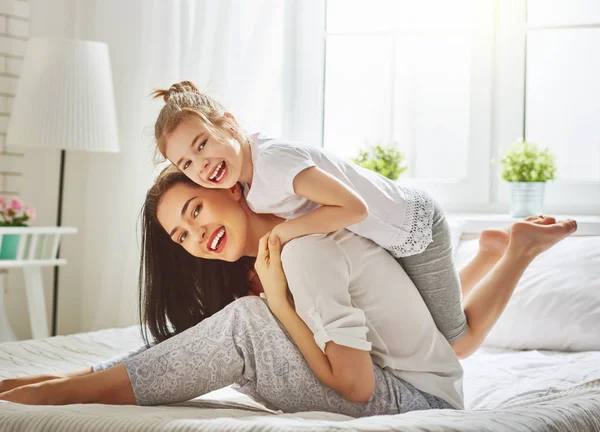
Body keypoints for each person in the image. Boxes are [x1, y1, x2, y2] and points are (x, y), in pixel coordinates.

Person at [0, 168, 577, 416]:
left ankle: (68, 391)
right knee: (243, 321)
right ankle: (75, 381)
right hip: (405, 376)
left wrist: (275, 305)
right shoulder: (285, 248)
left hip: (416, 400)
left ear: (226, 186)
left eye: (195, 209)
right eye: (181, 234)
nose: (196, 235)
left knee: (249, 324)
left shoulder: (305, 249)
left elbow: (356, 384)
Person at [151, 80, 521, 356]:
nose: (201, 165)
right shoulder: (248, 182)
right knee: (425, 316)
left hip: (412, 227)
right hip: (381, 235)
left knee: (454, 343)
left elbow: (354, 207)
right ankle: (487, 254)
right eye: (186, 163)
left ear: (228, 124)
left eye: (202, 144)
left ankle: (516, 254)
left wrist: (283, 233)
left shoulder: (275, 163)